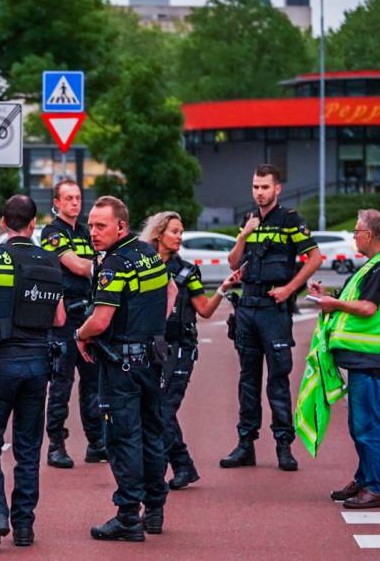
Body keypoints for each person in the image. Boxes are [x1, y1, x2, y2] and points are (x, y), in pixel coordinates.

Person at [0, 194, 65, 549]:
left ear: (4, 224)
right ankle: (24, 526)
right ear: (34, 223)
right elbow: (60, 319)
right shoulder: (51, 263)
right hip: (37, 366)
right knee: (28, 447)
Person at [77, 196, 169, 542]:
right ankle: (155, 510)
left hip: (123, 364)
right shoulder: (149, 253)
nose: (93, 232)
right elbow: (170, 291)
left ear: (121, 226)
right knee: (152, 434)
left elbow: (100, 321)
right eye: (90, 225)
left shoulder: (115, 264)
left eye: (101, 226)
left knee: (122, 438)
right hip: (152, 357)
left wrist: (79, 335)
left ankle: (129, 515)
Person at [223, 164, 322, 471]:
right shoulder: (248, 220)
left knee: (278, 380)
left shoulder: (290, 220)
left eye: (265, 187)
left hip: (273, 310)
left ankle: (283, 446)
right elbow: (232, 261)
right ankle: (245, 445)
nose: (259, 192)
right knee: (247, 381)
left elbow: (316, 257)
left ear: (277, 189)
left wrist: (290, 288)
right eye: (255, 187)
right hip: (248, 307)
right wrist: (244, 235)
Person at [307, 209, 380, 510]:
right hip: (361, 357)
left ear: (370, 235)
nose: (353, 236)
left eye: (356, 231)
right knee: (358, 423)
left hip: (369, 359)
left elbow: (367, 308)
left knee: (367, 424)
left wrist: (333, 303)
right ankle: (364, 479)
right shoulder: (372, 266)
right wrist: (328, 297)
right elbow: (355, 301)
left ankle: (376, 488)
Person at [140, 211, 242, 490]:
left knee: (164, 408)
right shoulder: (142, 265)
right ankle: (183, 467)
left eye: (181, 231)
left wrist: (223, 288)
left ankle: (163, 470)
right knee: (155, 409)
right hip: (150, 348)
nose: (179, 236)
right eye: (174, 231)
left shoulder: (187, 271)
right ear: (159, 233)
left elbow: (205, 310)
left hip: (182, 348)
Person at [39, 179, 106, 468]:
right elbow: (77, 265)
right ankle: (56, 445)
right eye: (68, 198)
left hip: (89, 313)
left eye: (77, 197)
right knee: (61, 383)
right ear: (56, 203)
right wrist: (107, 269)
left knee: (93, 382)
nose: (74, 203)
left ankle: (96, 443)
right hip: (64, 317)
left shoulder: (85, 230)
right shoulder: (52, 232)